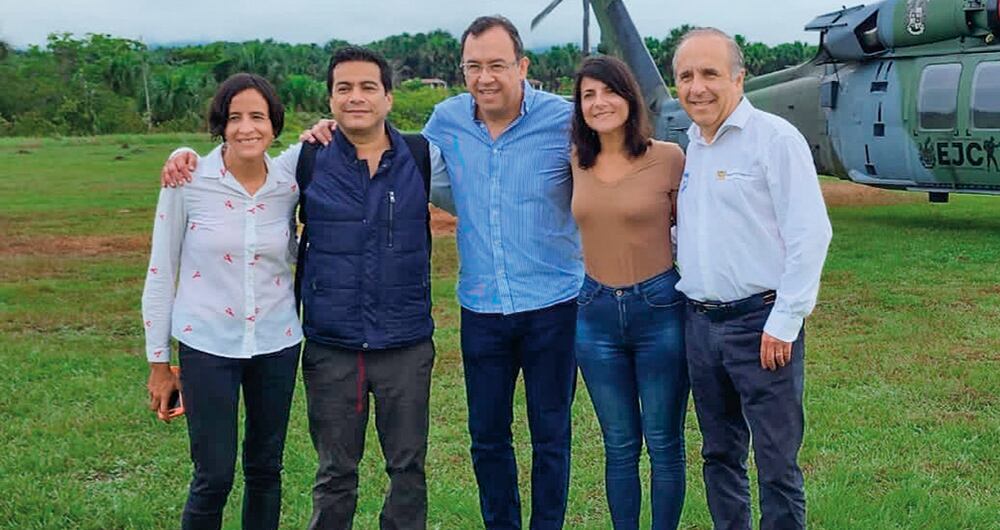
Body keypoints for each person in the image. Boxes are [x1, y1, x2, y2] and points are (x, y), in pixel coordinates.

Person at [161, 47, 443, 530]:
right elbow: (246, 161)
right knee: (334, 472)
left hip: (405, 343)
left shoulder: (422, 156)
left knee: (408, 470)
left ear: (390, 98)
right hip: (331, 345)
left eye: (368, 87)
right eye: (344, 88)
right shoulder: (307, 161)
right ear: (330, 100)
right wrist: (185, 157)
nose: (356, 97)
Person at [421, 16, 582, 530]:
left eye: (496, 65)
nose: (484, 77)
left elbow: (622, 163)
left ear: (522, 66)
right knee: (487, 436)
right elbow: (388, 154)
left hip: (555, 305)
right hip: (482, 308)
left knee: (551, 434)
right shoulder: (445, 121)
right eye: (473, 66)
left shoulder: (565, 119)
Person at [671, 28, 833, 530]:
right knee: (719, 454)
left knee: (776, 462)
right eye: (686, 76)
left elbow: (811, 234)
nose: (697, 87)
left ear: (739, 78)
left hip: (761, 326)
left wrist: (784, 321)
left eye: (710, 74)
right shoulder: (692, 145)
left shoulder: (774, 140)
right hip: (700, 324)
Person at [142, 73, 303, 530]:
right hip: (207, 343)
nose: (246, 128)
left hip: (277, 341)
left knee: (265, 469)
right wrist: (159, 362)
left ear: (274, 125)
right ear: (220, 125)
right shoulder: (189, 180)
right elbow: (161, 270)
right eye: (235, 118)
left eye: (258, 116)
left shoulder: (288, 182)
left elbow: (328, 132)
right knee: (213, 475)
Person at [569, 56, 688, 530]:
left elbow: (697, 229)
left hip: (660, 308)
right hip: (593, 312)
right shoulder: (575, 161)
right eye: (588, 95)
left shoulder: (668, 158)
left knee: (663, 442)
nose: (600, 103)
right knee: (618, 444)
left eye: (609, 91)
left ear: (629, 97)